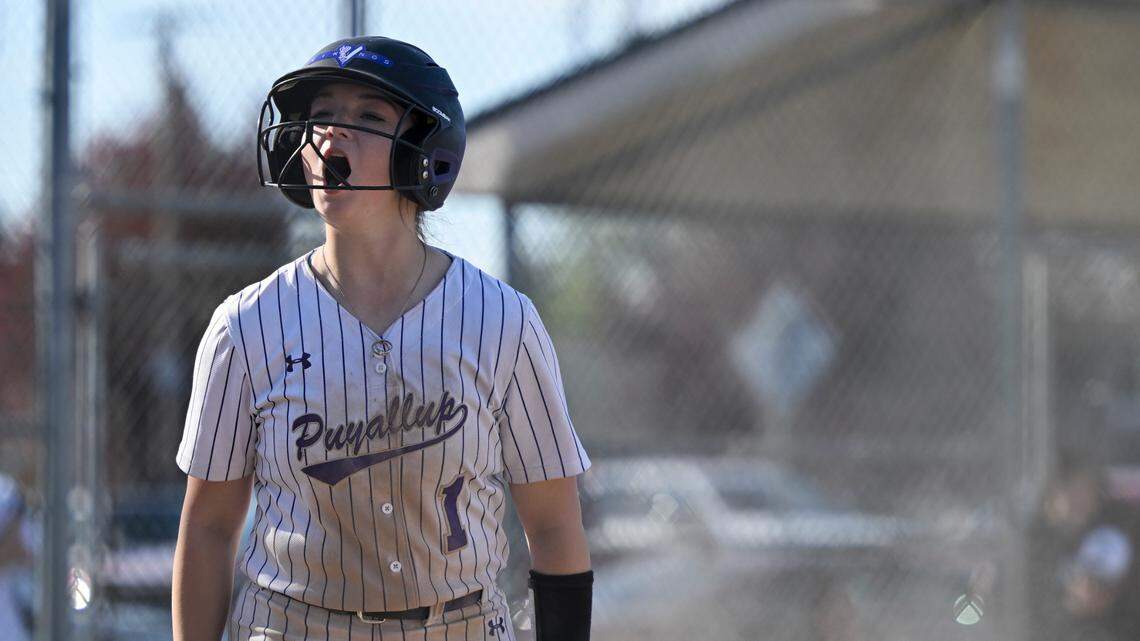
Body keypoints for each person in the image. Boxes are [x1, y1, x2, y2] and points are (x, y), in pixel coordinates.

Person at [172, 36, 594, 641]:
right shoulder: (246, 325)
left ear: (423, 150)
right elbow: (209, 528)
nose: (331, 137)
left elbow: (553, 525)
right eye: (320, 117)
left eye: (368, 117)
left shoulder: (501, 319)